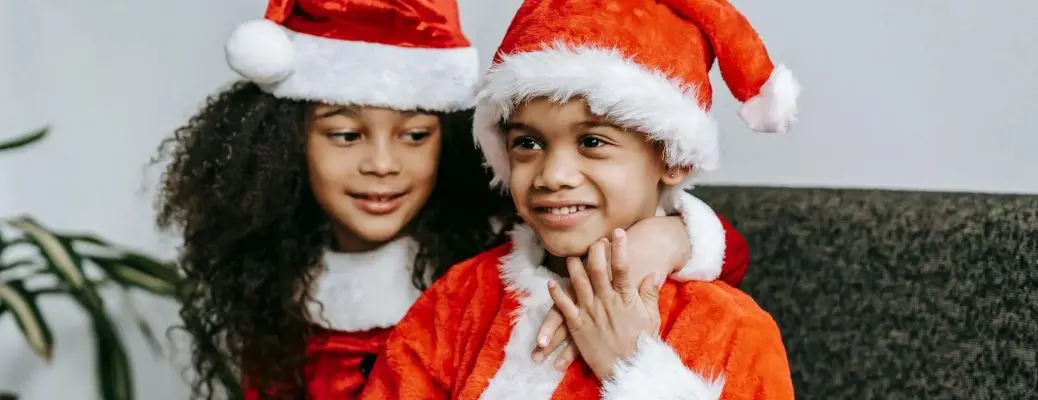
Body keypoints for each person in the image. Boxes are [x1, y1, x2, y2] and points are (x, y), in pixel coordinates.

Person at [154, 0, 754, 398]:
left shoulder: (488, 239)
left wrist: (670, 236)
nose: (382, 165)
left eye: (416, 135)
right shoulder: (273, 280)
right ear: (281, 149)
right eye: (344, 134)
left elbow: (712, 248)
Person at [360, 0, 800, 398]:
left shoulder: (732, 331)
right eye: (528, 144)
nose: (552, 175)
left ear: (674, 156)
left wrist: (636, 370)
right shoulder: (458, 300)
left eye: (592, 141)